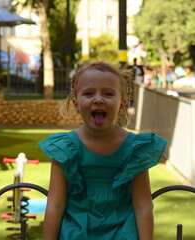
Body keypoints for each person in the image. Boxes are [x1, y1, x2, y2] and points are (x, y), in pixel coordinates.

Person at [38, 62, 167, 239]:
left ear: (122, 105)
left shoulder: (134, 149)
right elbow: (55, 205)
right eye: (89, 93)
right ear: (76, 104)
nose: (98, 99)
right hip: (76, 233)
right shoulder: (66, 148)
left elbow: (142, 205)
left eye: (108, 93)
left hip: (122, 233)